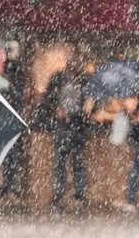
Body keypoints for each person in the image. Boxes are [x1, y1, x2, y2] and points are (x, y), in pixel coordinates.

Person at [37, 55, 96, 208]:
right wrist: (56, 108)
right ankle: (59, 194)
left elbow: (91, 99)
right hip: (62, 124)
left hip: (77, 123)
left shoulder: (84, 80)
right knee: (60, 160)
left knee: (77, 160)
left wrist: (88, 109)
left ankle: (79, 194)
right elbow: (48, 98)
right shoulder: (58, 78)